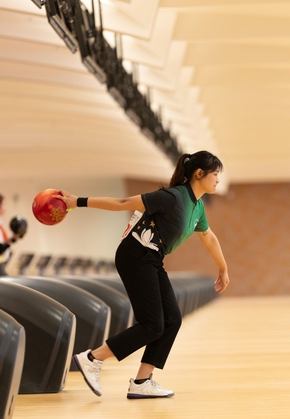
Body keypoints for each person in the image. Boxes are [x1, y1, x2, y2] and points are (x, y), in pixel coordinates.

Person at [54, 150, 230, 399]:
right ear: (199, 174)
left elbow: (208, 237)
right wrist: (78, 201)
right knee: (152, 325)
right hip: (135, 256)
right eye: (215, 174)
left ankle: (141, 381)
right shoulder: (172, 197)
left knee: (172, 320)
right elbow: (123, 204)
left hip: (153, 259)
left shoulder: (197, 206)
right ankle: (92, 358)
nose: (218, 180)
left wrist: (223, 268)